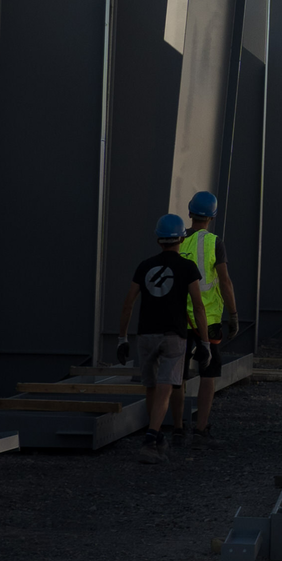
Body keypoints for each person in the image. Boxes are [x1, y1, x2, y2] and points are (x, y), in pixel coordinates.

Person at [114, 215, 210, 461]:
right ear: (181, 237)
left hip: (146, 335)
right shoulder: (188, 268)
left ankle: (156, 438)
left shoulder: (145, 266)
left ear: (158, 240)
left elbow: (128, 304)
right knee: (166, 386)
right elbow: (198, 307)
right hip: (174, 336)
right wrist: (205, 342)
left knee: (151, 386)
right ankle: (150, 440)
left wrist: (122, 338)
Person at [168, 189, 239, 439]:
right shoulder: (214, 243)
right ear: (212, 217)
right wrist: (233, 314)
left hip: (179, 319)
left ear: (189, 212)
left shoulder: (176, 240)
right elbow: (225, 281)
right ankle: (200, 429)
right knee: (208, 373)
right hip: (208, 321)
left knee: (178, 373)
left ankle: (177, 427)